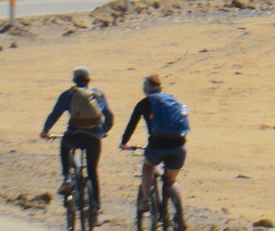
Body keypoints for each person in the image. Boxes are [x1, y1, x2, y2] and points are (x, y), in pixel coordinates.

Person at [39, 68, 113, 200]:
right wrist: (103, 131)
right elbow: (109, 116)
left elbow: (55, 115)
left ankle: (67, 177)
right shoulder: (98, 94)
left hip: (74, 136)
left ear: (74, 80)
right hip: (94, 139)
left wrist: (45, 131)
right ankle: (96, 205)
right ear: (89, 80)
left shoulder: (68, 94)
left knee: (64, 145)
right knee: (92, 171)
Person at [119, 73, 191, 205]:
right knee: (171, 181)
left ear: (145, 89)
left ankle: (146, 199)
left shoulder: (144, 103)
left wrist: (124, 142)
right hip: (179, 146)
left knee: (148, 165)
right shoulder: (172, 100)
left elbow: (132, 124)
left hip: (157, 146)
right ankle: (178, 209)